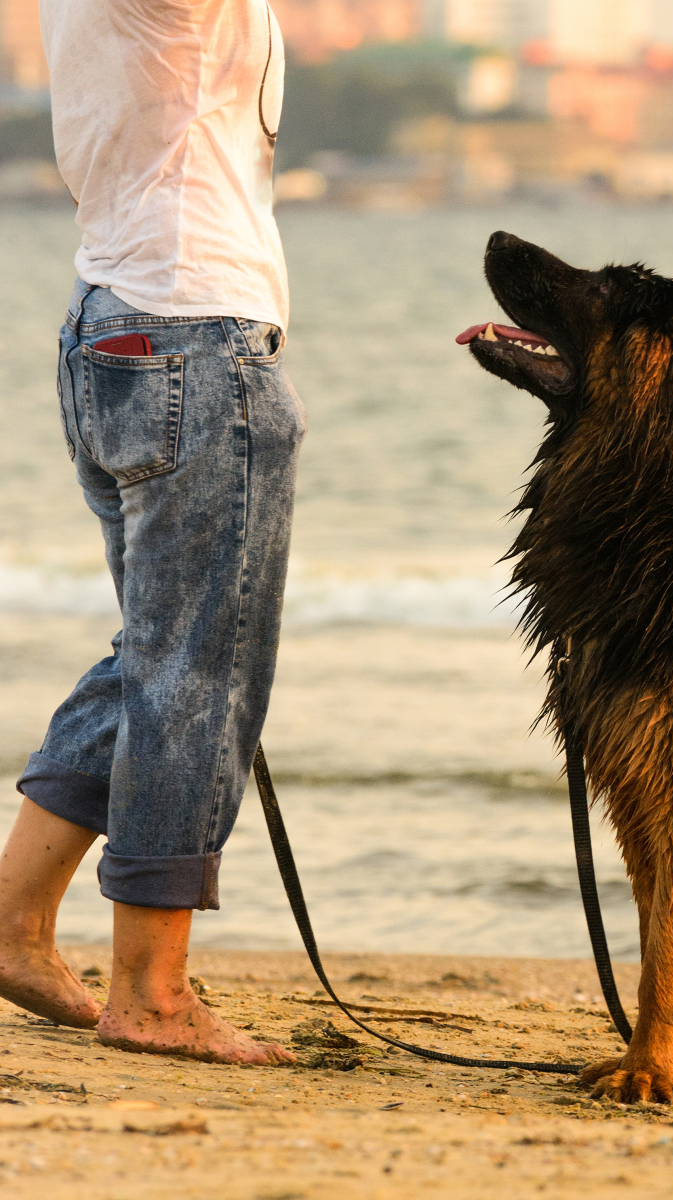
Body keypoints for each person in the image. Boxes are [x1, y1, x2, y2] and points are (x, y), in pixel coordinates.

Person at [0, 0, 304, 1064]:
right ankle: (153, 993)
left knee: (156, 655)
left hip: (116, 328)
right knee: (195, 676)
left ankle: (13, 924)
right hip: (192, 337)